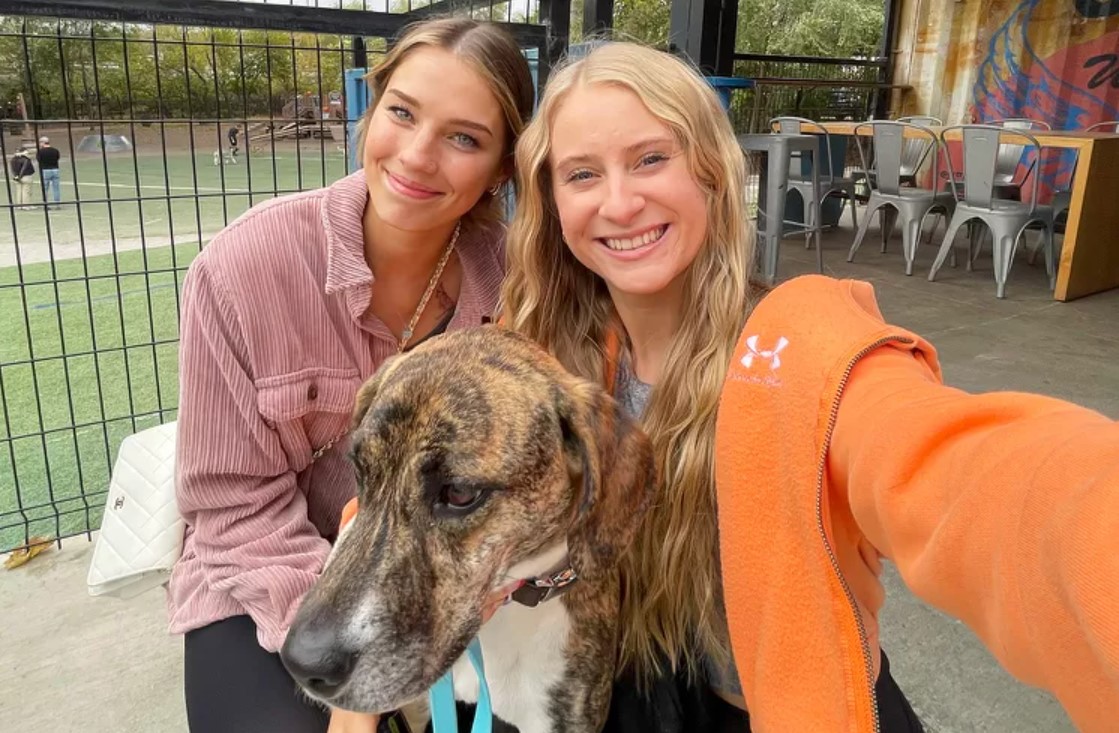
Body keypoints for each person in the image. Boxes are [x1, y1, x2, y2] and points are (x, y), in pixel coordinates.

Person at [500, 41, 1119, 733]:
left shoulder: (800, 350)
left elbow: (971, 473)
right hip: (632, 694)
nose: (619, 201)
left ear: (709, 168)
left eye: (650, 158)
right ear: (551, 202)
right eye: (582, 174)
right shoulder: (546, 360)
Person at [167, 18, 535, 733]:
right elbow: (231, 505)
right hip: (268, 581)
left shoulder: (519, 284)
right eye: (402, 113)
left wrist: (429, 613)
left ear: (500, 169)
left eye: (464, 138)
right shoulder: (243, 270)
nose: (418, 156)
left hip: (446, 586)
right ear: (371, 109)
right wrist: (356, 651)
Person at [36, 136, 60, 208]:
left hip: (45, 170)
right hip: (55, 169)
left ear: (43, 143)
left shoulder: (40, 152)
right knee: (56, 188)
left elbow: (39, 160)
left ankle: (45, 203)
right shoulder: (55, 150)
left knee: (45, 188)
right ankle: (57, 204)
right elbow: (57, 158)